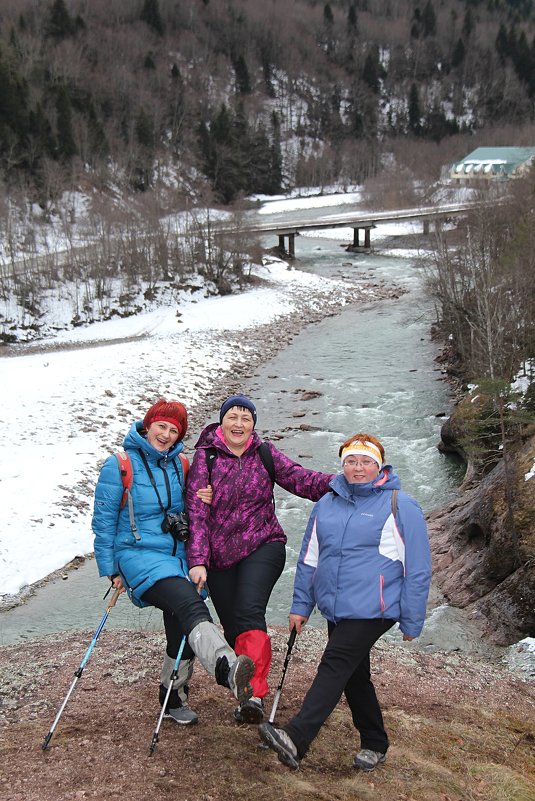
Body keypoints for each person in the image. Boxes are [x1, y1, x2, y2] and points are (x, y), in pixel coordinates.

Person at [258, 433, 432, 772]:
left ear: (379, 466)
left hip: (375, 606)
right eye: (351, 461)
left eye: (366, 461)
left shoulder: (400, 504)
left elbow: (419, 567)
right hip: (337, 605)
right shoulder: (327, 503)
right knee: (354, 675)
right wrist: (300, 605)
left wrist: (412, 619)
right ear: (342, 465)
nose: (358, 468)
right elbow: (309, 558)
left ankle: (297, 737)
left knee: (335, 662)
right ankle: (375, 742)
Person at [92, 398, 255, 727]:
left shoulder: (181, 464)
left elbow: (195, 508)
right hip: (137, 555)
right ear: (147, 425)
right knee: (191, 606)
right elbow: (103, 521)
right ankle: (225, 666)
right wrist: (110, 569)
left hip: (178, 556)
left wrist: (202, 499)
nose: (166, 434)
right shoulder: (120, 465)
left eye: (173, 429)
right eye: (161, 426)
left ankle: (172, 694)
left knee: (181, 627)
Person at [185, 393, 334, 724]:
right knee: (234, 623)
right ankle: (243, 687)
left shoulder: (264, 453)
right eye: (233, 417)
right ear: (221, 422)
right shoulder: (205, 459)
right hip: (220, 555)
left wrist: (340, 483)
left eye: (246, 419)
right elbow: (195, 513)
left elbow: (299, 478)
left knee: (250, 610)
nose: (239, 424)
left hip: (263, 544)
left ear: (253, 424)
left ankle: (254, 694)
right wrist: (197, 559)